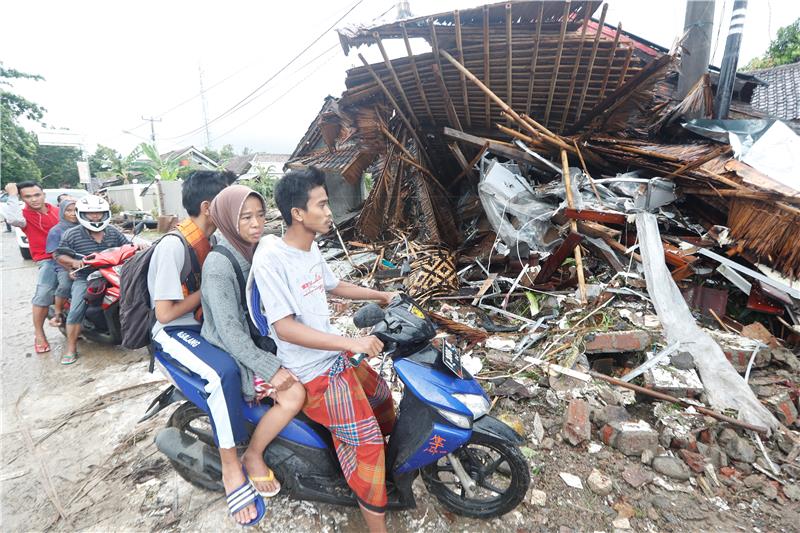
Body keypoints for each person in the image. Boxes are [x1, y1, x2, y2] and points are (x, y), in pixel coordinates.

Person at [251, 166, 397, 533]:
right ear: (298, 214)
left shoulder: (310, 247)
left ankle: (383, 471)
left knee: (382, 397)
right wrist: (351, 342)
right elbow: (284, 328)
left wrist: (382, 295)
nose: (330, 212)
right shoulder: (272, 260)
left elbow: (334, 285)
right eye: (322, 205)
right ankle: (375, 519)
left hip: (332, 355)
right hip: (311, 370)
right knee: (367, 445)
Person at [146, 172, 266, 526]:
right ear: (208, 207)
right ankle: (232, 468)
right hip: (174, 331)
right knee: (223, 372)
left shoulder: (214, 240)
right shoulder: (173, 246)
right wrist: (212, 290)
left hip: (203, 323)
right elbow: (165, 313)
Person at [201, 185, 306, 511]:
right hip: (235, 347)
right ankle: (253, 454)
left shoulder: (254, 248)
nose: (256, 223)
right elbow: (231, 334)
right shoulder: (219, 266)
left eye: (260, 215)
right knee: (294, 395)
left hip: (261, 336)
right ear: (228, 220)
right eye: (245, 217)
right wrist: (271, 369)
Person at [54, 195, 132, 364]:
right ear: (82, 214)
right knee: (76, 309)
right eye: (91, 214)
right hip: (86, 276)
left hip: (112, 272)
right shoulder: (72, 234)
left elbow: (127, 246)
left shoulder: (112, 231)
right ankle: (71, 348)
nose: (96, 216)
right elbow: (59, 255)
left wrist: (138, 246)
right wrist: (74, 262)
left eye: (99, 213)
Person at [2, 181, 60, 353]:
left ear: (43, 194)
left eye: (37, 195)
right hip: (48, 259)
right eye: (28, 196)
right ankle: (39, 333)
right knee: (44, 292)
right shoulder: (23, 216)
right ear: (22, 198)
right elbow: (12, 219)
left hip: (71, 256)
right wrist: (12, 194)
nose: (34, 199)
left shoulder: (58, 211)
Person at [45, 198, 79, 326]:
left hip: (87, 263)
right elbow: (55, 254)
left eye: (75, 210)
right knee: (65, 284)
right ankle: (58, 313)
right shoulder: (56, 230)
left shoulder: (87, 226)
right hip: (63, 266)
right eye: (68, 210)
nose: (73, 213)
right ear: (62, 212)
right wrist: (69, 268)